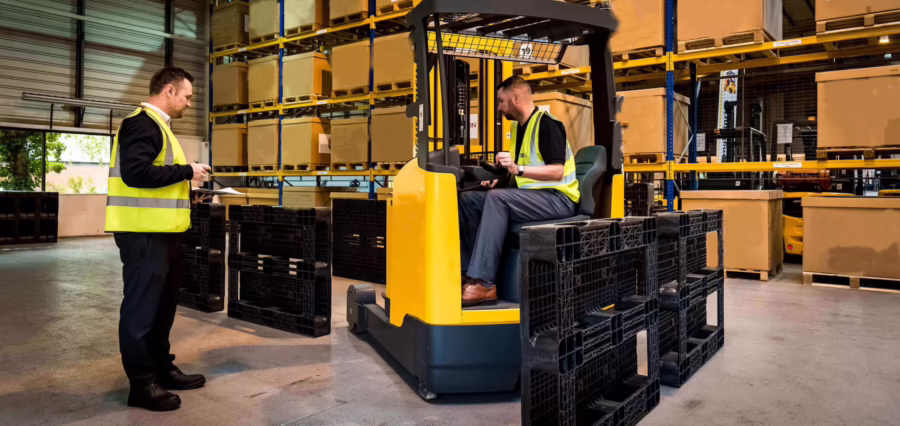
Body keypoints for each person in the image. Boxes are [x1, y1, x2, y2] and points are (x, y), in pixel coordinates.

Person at [105, 67, 211, 411]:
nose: (189, 104)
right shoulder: (141, 124)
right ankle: (142, 384)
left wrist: (188, 192)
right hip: (143, 235)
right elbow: (136, 173)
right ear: (169, 91)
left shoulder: (161, 128)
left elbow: (157, 181)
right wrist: (188, 171)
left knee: (162, 311)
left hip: (165, 234)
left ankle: (162, 369)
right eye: (187, 96)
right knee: (141, 312)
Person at [458, 76, 581, 306]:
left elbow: (557, 172)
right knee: (469, 199)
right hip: (535, 197)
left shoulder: (547, 124)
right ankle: (471, 273)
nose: (499, 107)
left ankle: (485, 283)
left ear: (515, 98)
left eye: (501, 101)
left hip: (559, 199)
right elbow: (520, 172)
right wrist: (501, 179)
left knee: (498, 200)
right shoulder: (517, 128)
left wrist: (518, 169)